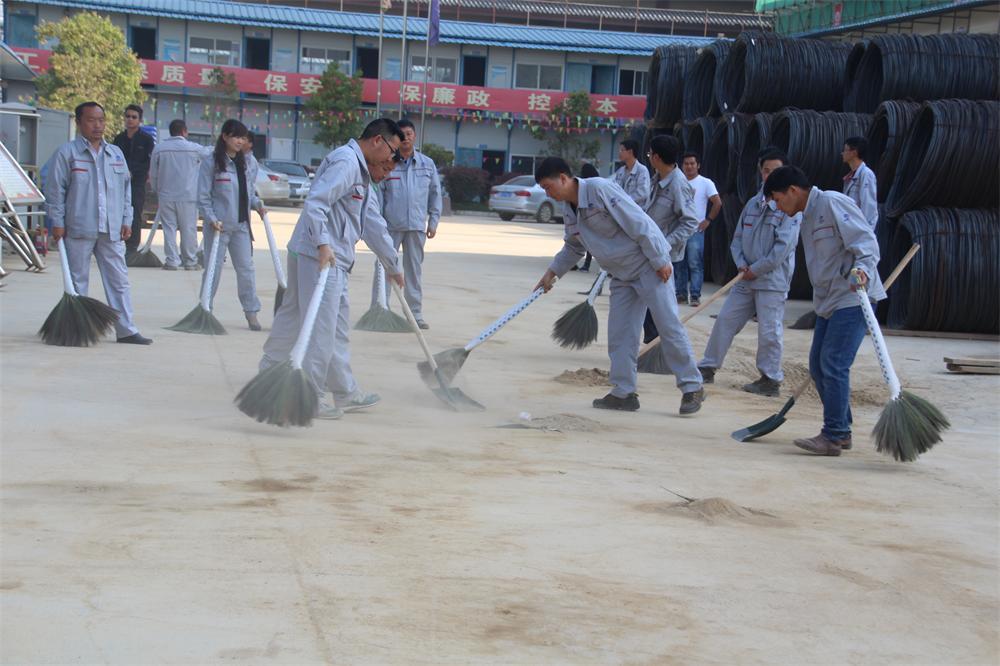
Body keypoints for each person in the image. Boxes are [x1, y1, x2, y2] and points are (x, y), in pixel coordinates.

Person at [533, 157, 704, 415]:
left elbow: (639, 222)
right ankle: (624, 392)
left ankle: (692, 387)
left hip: (648, 266)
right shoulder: (569, 209)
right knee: (620, 334)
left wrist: (659, 258)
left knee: (668, 326)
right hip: (621, 275)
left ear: (564, 178)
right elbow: (573, 246)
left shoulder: (600, 189)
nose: (548, 193)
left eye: (548, 186)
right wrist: (552, 273)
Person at [260, 118, 405, 420]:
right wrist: (323, 244)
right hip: (320, 257)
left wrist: (392, 264)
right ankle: (310, 397)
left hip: (321, 254)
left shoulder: (361, 171)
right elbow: (316, 204)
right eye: (391, 152)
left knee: (326, 326)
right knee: (321, 330)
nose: (390, 160)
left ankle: (343, 390)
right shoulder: (346, 163)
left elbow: (373, 224)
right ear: (378, 141)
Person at [763, 165, 886, 457]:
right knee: (819, 365)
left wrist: (863, 269)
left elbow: (866, 241)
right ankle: (841, 429)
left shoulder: (832, 202)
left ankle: (833, 435)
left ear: (793, 191)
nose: (779, 208)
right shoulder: (805, 217)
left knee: (833, 362)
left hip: (853, 296)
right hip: (829, 301)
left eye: (779, 200)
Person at [45, 101, 152, 345]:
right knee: (77, 281)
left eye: (101, 120)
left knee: (119, 281)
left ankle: (126, 330)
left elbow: (126, 191)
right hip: (78, 228)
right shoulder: (67, 153)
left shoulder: (115, 154)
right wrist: (58, 222)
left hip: (111, 230)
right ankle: (77, 330)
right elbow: (55, 191)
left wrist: (127, 219)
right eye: (91, 120)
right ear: (79, 122)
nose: (98, 125)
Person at [698, 148, 800, 396]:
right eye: (766, 171)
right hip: (745, 278)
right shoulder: (753, 204)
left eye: (775, 171)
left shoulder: (790, 209)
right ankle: (708, 367)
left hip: (771, 280)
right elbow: (737, 239)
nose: (769, 176)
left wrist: (756, 269)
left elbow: (782, 249)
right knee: (725, 320)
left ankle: (770, 379)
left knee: (769, 330)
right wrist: (741, 263)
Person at [371, 118, 441, 330]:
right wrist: (379, 224)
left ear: (414, 136)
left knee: (413, 272)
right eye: (402, 135)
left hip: (416, 227)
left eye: (409, 134)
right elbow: (380, 194)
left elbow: (435, 193)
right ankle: (379, 311)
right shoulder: (388, 162)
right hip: (390, 226)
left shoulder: (427, 164)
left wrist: (434, 221)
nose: (406, 138)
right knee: (384, 268)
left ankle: (415, 315)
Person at [197, 119, 265, 331]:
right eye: (236, 136)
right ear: (225, 137)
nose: (240, 141)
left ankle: (251, 312)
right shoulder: (212, 162)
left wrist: (258, 204)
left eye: (243, 137)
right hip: (218, 227)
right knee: (213, 270)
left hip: (241, 227)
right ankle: (204, 309)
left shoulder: (249, 163)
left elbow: (249, 191)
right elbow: (203, 197)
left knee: (246, 270)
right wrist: (210, 218)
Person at [642, 136, 699, 343]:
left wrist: (665, 243)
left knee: (658, 310)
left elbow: (691, 222)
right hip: (650, 253)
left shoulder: (678, 184)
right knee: (649, 306)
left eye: (649, 154)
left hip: (666, 257)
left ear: (656, 157)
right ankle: (653, 349)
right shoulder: (657, 179)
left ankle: (659, 351)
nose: (649, 158)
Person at [149, 119, 205, 270]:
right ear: (184, 132)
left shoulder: (159, 149)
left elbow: (153, 174)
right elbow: (211, 155)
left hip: (166, 195)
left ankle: (172, 261)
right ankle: (190, 261)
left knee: (169, 229)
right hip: (188, 196)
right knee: (188, 229)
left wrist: (156, 190)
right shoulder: (194, 148)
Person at [674, 152, 721, 307]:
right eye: (686, 163)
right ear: (682, 166)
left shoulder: (705, 183)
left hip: (695, 230)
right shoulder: (677, 182)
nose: (689, 166)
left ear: (698, 165)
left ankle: (695, 295)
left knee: (695, 263)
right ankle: (680, 294)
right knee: (679, 263)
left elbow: (717, 202)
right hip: (680, 230)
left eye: (692, 163)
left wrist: (708, 220)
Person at [113, 104, 154, 254]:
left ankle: (132, 248)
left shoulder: (147, 140)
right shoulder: (118, 139)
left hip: (137, 184)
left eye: (134, 117)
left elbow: (148, 163)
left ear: (139, 120)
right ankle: (115, 245)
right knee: (116, 213)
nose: (130, 119)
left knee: (135, 214)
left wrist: (133, 172)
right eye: (128, 116)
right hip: (118, 184)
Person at [841, 136, 878, 230]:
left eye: (845, 150)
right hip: (851, 228)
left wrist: (864, 232)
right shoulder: (850, 177)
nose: (842, 153)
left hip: (860, 230)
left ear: (854, 153)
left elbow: (868, 206)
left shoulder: (866, 174)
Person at [575, 162, 602, 272]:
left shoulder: (586, 183)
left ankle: (587, 264)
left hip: (590, 216)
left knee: (590, 242)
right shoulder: (598, 183)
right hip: (596, 216)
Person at [612, 139, 651, 208]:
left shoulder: (642, 170)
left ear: (630, 152)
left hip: (636, 210)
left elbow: (643, 193)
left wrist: (625, 201)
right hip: (621, 209)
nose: (619, 153)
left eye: (622, 150)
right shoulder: (620, 171)